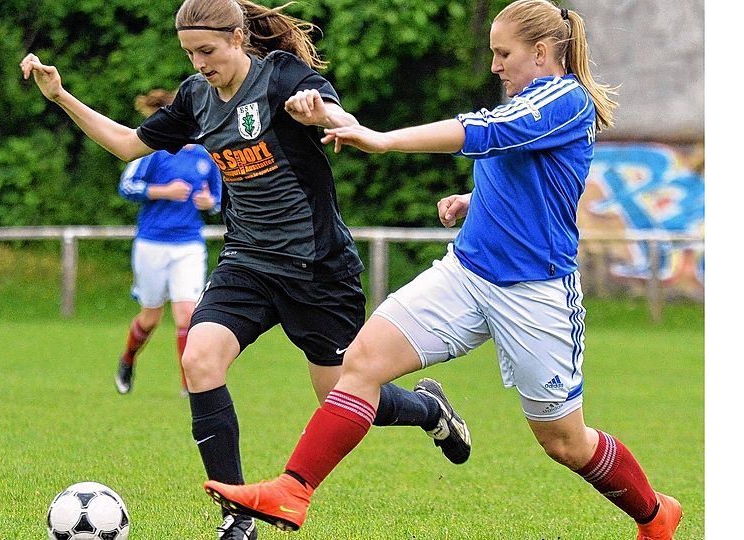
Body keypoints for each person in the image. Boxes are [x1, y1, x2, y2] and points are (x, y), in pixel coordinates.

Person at [203, 2, 683, 539]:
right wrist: (475, 199)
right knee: (360, 361)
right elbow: (532, 179)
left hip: (535, 294)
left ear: (542, 53)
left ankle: (655, 516)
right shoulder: (528, 101)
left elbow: (485, 134)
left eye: (504, 54)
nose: (496, 66)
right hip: (466, 274)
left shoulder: (564, 100)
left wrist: (381, 139)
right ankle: (294, 490)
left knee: (565, 442)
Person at [19, 1, 471, 538]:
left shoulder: (282, 77)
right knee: (200, 358)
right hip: (248, 262)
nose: (200, 63)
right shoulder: (195, 97)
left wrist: (320, 112)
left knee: (344, 399)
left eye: (207, 51)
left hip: (317, 270)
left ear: (238, 37)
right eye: (190, 52)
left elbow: (346, 122)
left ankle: (428, 410)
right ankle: (237, 519)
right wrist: (60, 96)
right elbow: (125, 145)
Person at [114, 89, 223, 398]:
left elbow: (217, 197)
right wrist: (162, 191)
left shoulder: (205, 156)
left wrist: (208, 202)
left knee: (188, 315)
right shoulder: (154, 151)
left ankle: (189, 385)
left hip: (189, 243)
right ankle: (128, 359)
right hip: (152, 243)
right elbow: (127, 186)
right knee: (149, 319)